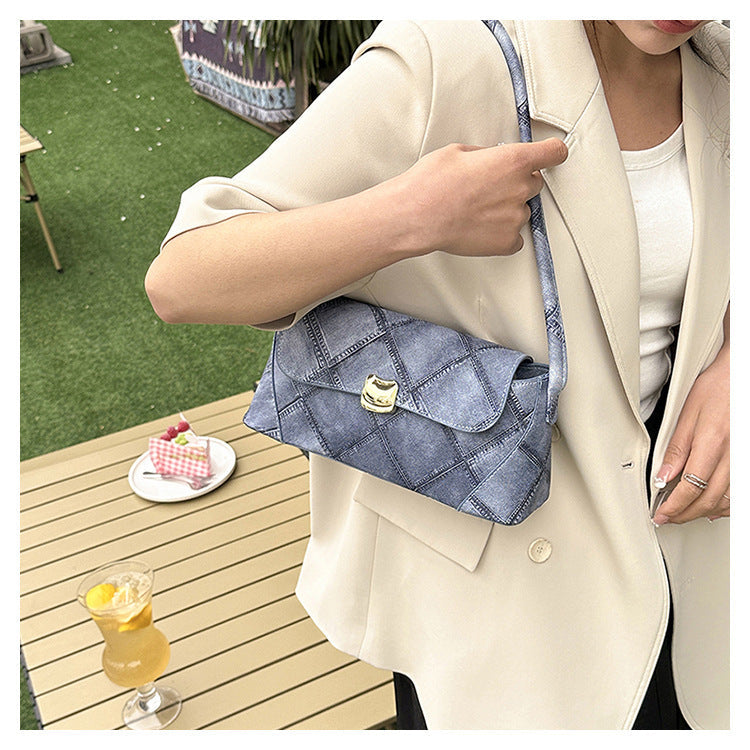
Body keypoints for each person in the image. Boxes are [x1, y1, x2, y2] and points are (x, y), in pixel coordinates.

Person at [145, 20, 729, 729]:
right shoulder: (444, 55)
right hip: (496, 582)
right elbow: (184, 278)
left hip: (684, 537)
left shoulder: (723, 66)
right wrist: (411, 215)